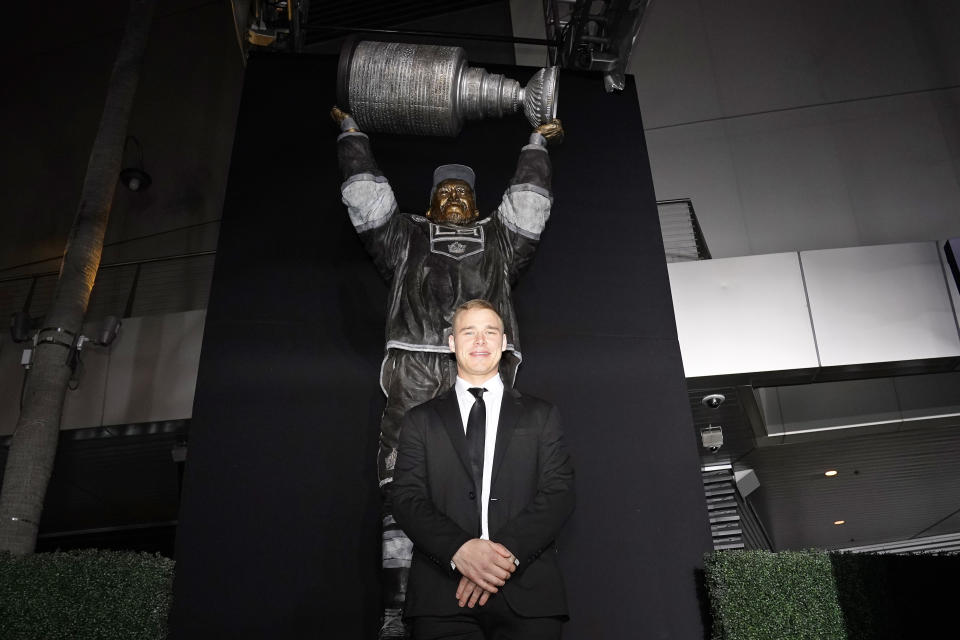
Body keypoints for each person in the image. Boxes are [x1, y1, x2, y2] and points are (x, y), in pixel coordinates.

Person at [331, 107, 564, 637]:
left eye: (464, 192)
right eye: (446, 192)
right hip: (415, 372)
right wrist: (352, 136)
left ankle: (488, 581)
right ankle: (398, 611)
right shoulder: (405, 238)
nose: (456, 198)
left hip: (485, 376)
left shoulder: (498, 244)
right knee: (403, 488)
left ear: (477, 203)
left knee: (493, 485)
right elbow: (369, 203)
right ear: (431, 201)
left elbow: (527, 209)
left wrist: (537, 143)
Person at [392, 299, 575, 639]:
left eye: (490, 332)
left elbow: (559, 492)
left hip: (529, 594)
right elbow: (406, 498)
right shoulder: (420, 420)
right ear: (452, 343)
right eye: (469, 332)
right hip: (442, 597)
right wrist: (460, 551)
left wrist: (497, 561)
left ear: (504, 342)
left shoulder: (541, 414)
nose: (480, 341)